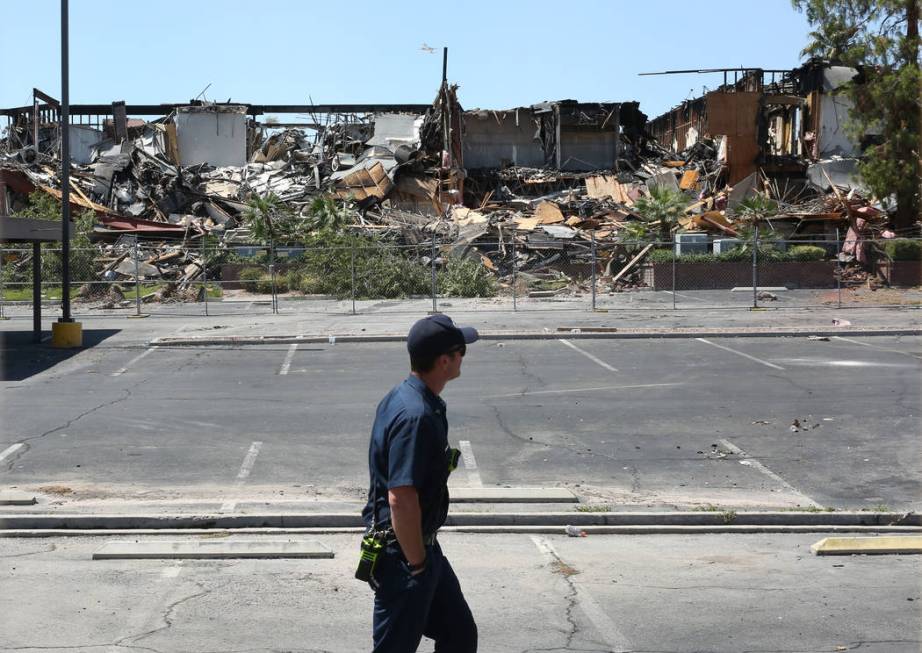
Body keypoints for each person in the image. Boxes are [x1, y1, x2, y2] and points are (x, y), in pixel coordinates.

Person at [361, 314, 479, 653]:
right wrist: (417, 565)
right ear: (445, 361)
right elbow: (400, 497)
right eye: (461, 352)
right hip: (404, 555)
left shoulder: (411, 398)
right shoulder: (416, 416)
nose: (463, 358)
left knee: (458, 634)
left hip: (422, 548)